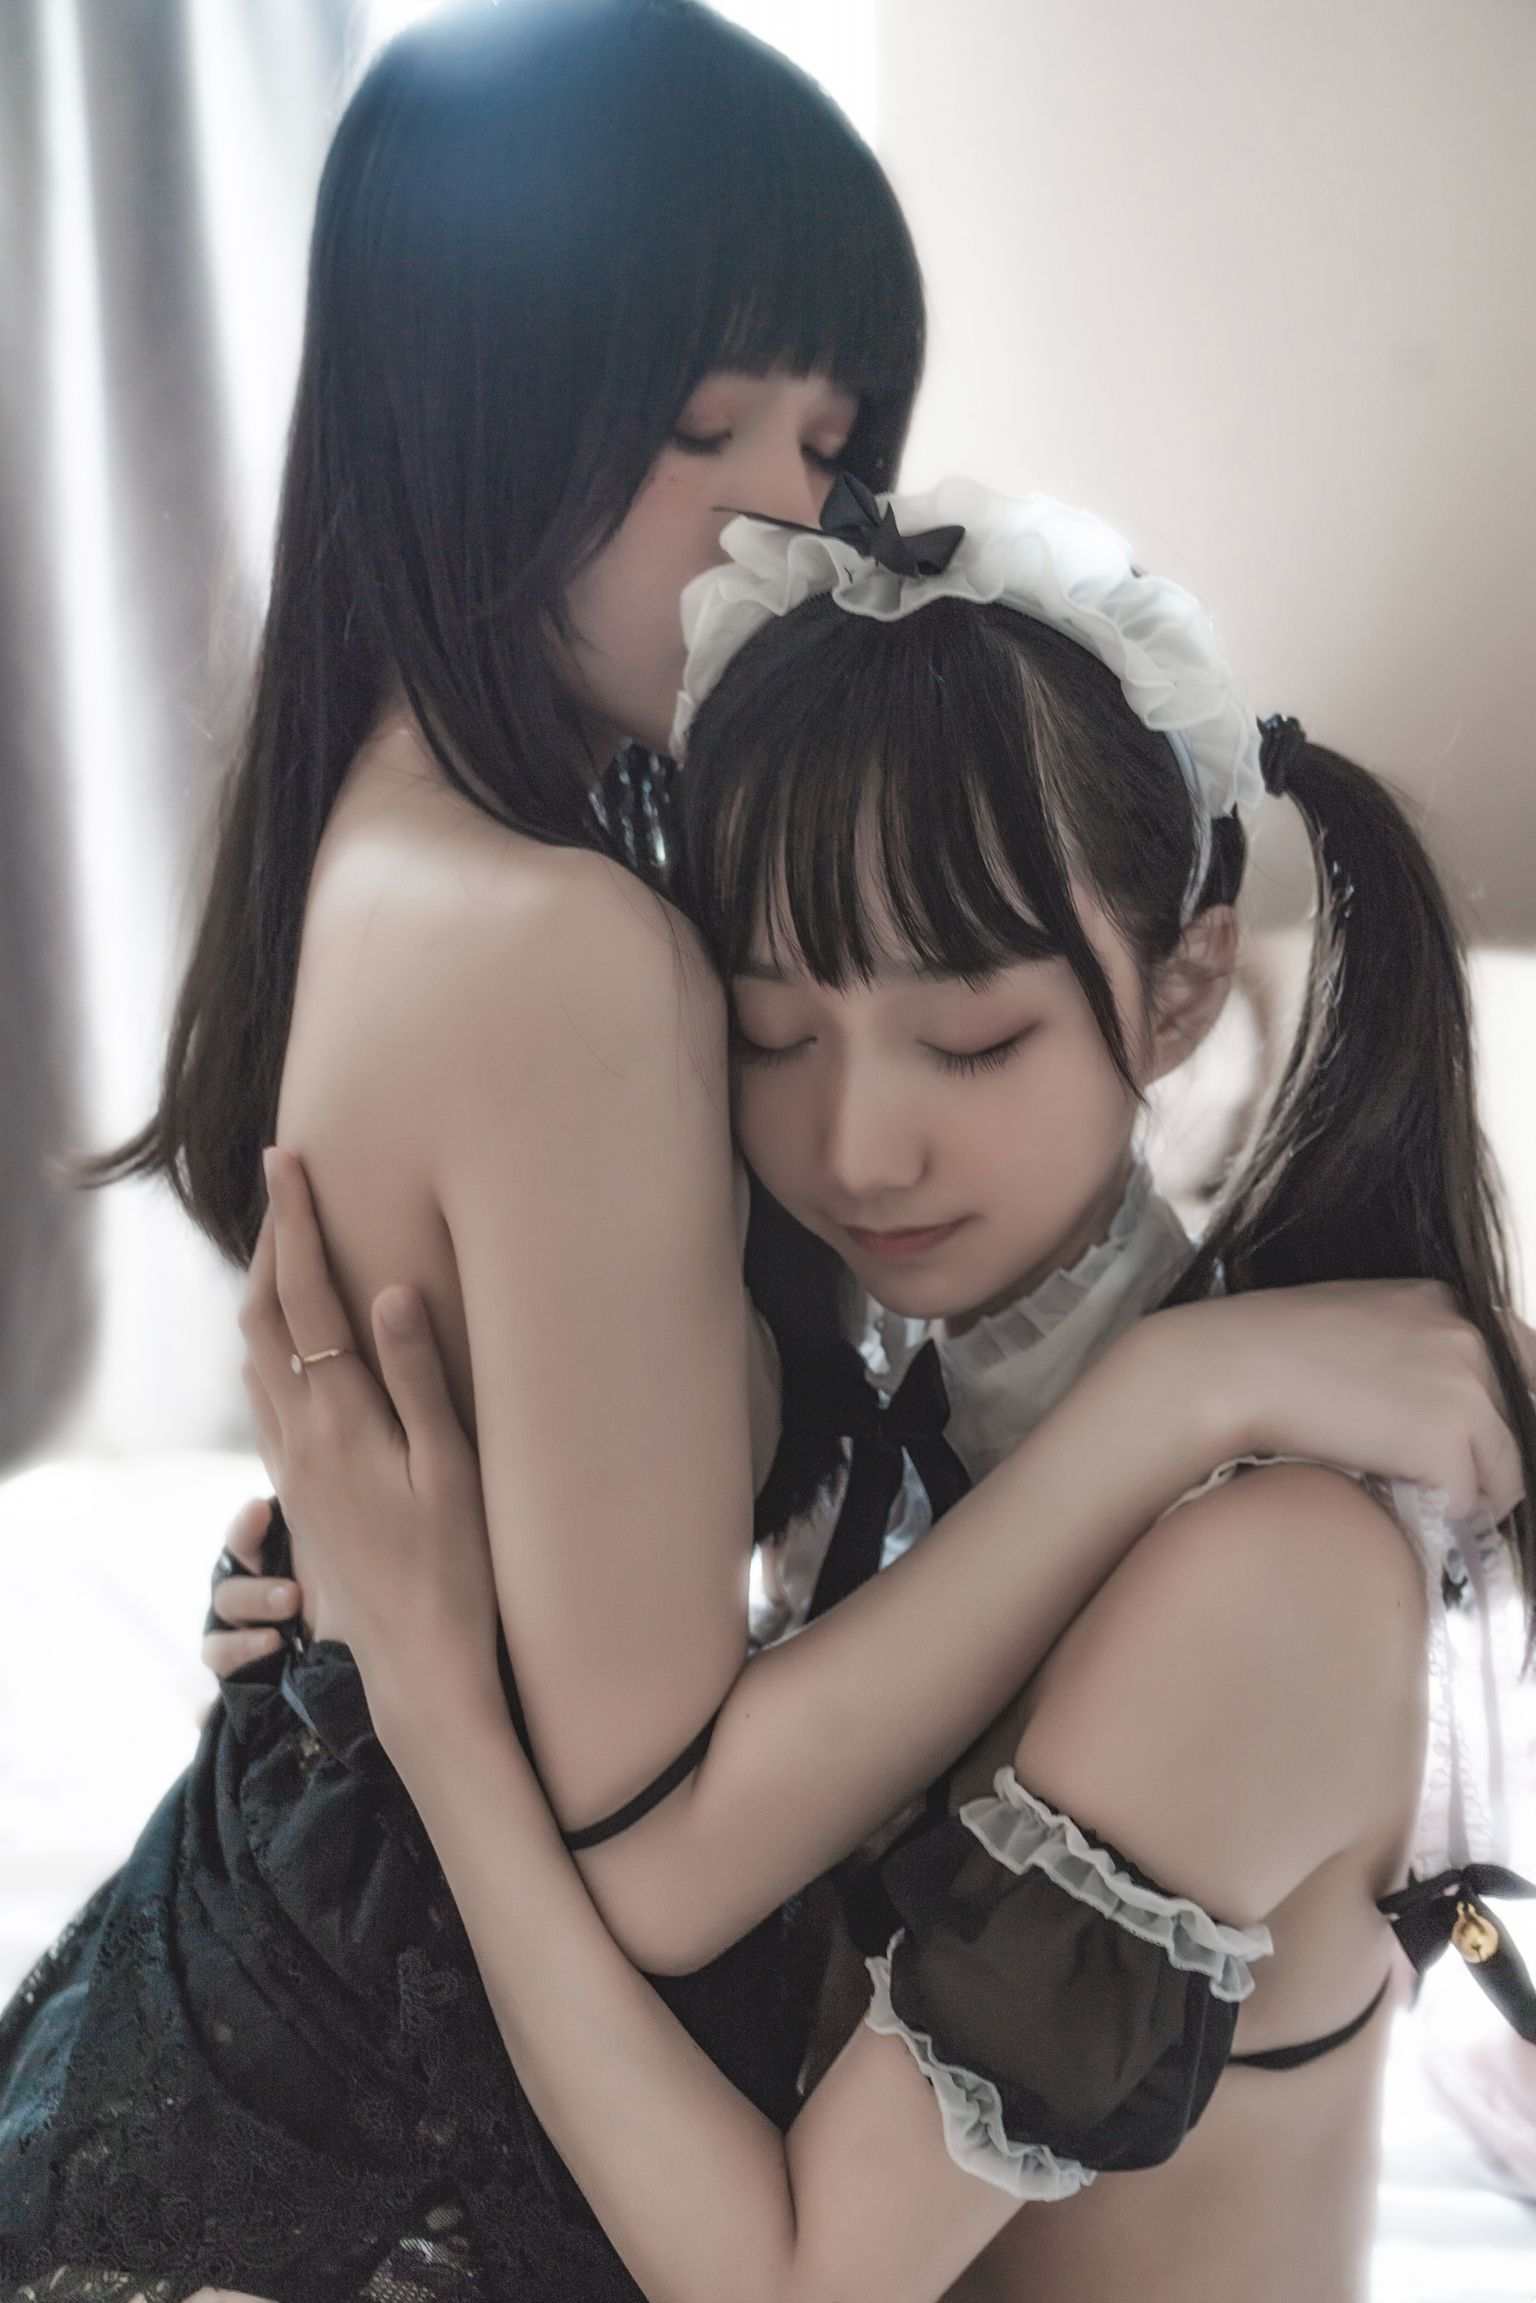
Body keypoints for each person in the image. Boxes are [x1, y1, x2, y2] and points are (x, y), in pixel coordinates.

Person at [0, 0, 1525, 2291]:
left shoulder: (416, 854)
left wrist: (422, 1678)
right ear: (468, 405)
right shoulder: (588, 956)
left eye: (829, 437)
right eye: (702, 423)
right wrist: (395, 1631)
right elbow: (672, 1786)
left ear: (1184, 995)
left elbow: (707, 2005)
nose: (788, 516)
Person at [221, 483, 1536, 2303]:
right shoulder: (858, 1392)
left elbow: (790, 2280)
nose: (858, 1146)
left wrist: (440, 1714)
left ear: (1180, 992)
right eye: (775, 1033)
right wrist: (353, 1627)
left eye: (972, 1040)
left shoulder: (1274, 1570)